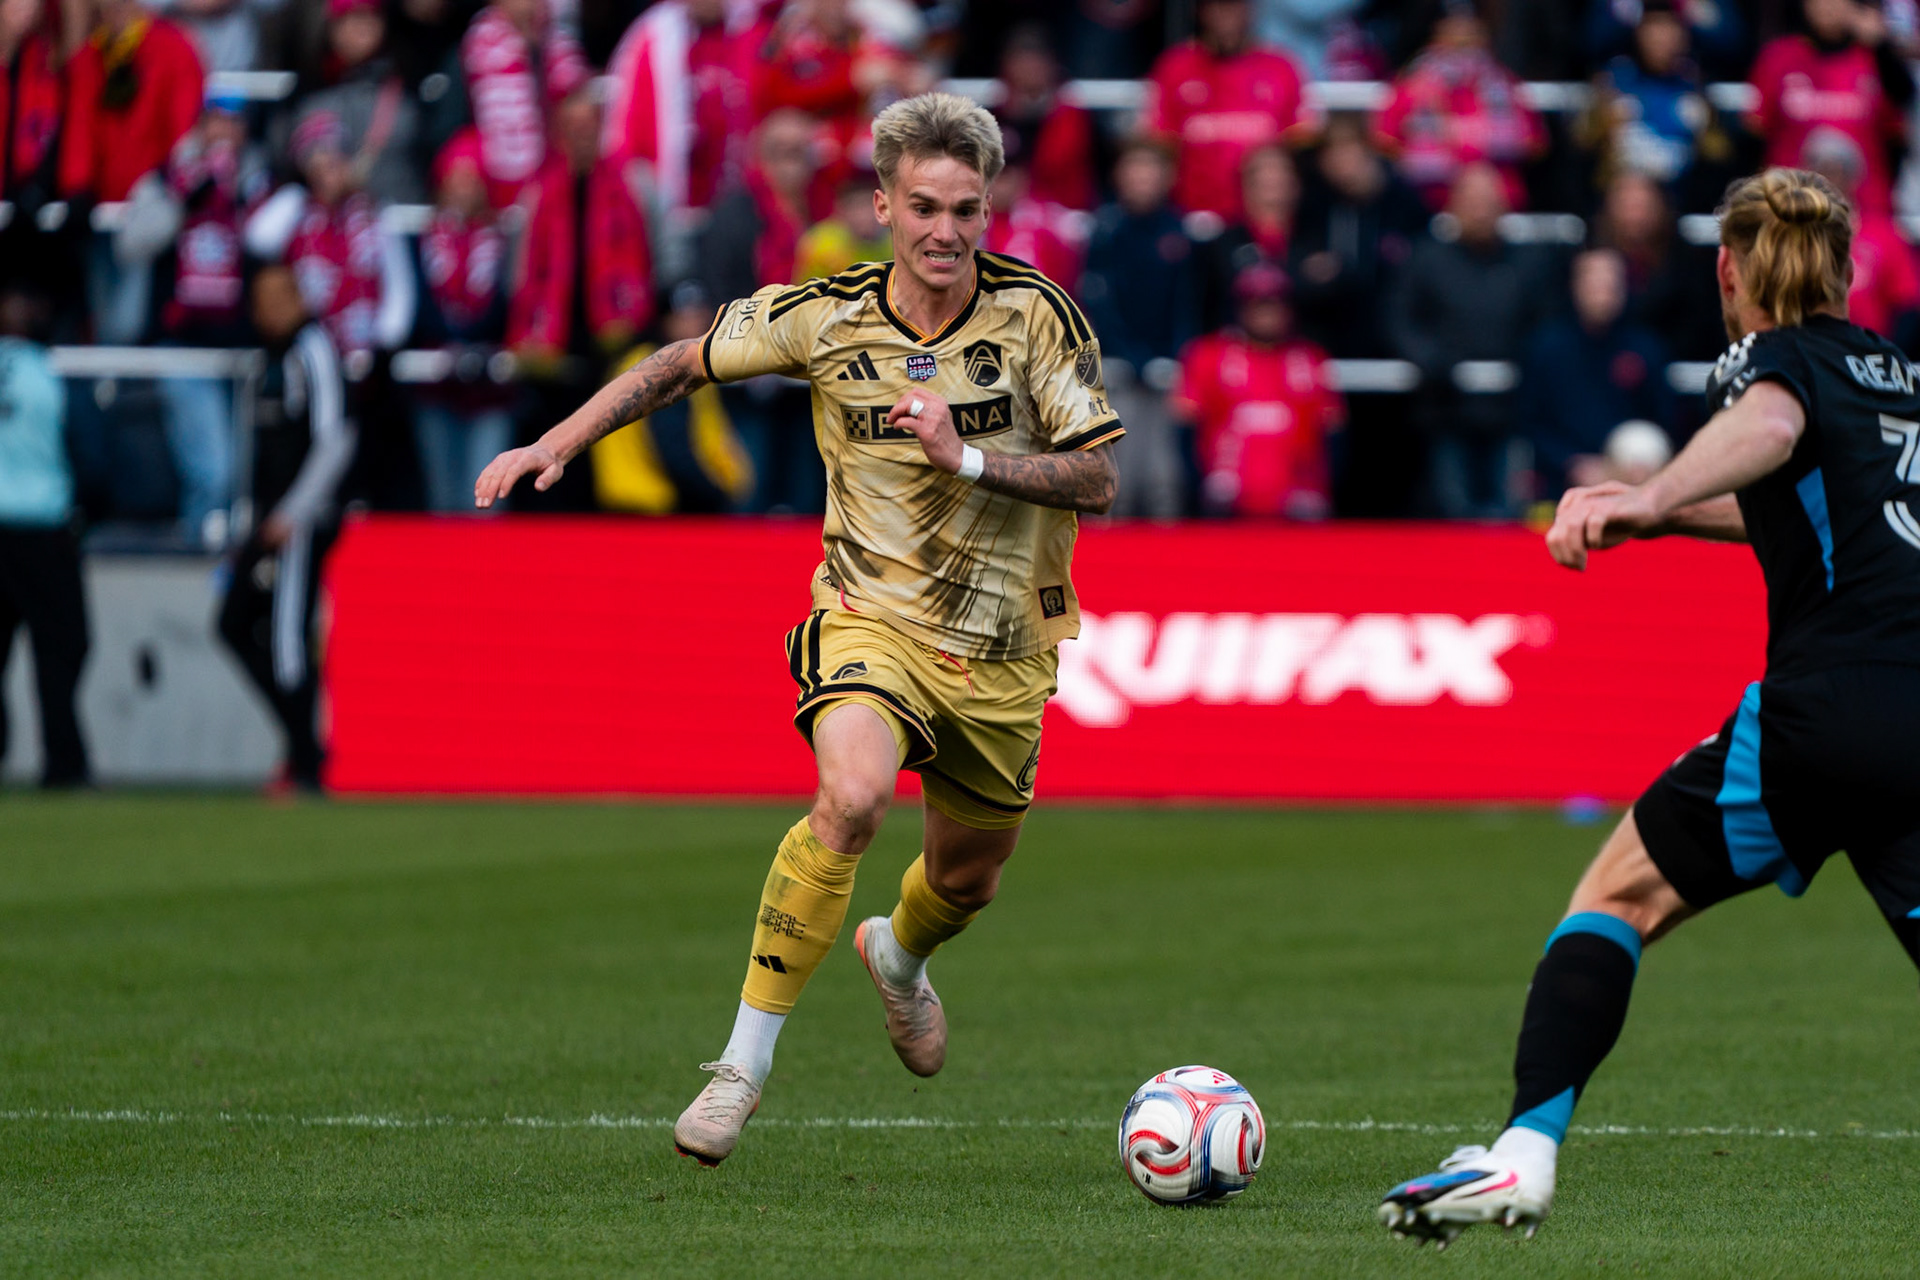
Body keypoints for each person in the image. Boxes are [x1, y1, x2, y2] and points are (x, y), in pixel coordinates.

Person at [473, 92, 1122, 1166]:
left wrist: (968, 457)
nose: (945, 230)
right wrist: (560, 438)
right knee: (854, 796)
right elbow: (680, 361)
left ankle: (900, 957)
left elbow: (1097, 473)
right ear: (882, 204)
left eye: (966, 208)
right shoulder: (826, 316)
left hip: (1005, 648)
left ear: (990, 209)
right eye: (923, 205)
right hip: (868, 617)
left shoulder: (1036, 319)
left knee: (966, 880)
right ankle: (739, 1070)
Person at [1379, 167, 1920, 1246]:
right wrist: (1671, 523)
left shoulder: (1775, 362)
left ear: (1727, 271)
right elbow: (1818, 497)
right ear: (1849, 268)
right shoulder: (1897, 373)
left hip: (1824, 712)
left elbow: (1770, 426)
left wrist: (1650, 491)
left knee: (1617, 894)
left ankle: (1523, 1154)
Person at [218, 265, 356, 794]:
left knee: (287, 639)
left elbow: (335, 438)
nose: (264, 310)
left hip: (298, 520)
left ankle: (305, 765)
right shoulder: (267, 357)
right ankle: (304, 744)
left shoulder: (313, 349)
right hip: (266, 518)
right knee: (233, 623)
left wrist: (295, 511)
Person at [1384, 161, 1555, 518]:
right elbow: (1401, 320)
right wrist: (1434, 360)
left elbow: (1546, 327)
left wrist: (1525, 365)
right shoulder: (1426, 259)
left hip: (1512, 412)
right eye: (1472, 200)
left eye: (1488, 201)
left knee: (1512, 519)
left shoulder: (1528, 262)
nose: (1480, 210)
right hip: (1445, 410)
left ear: (1504, 207)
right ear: (1453, 206)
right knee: (1453, 519)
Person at [0, 283, 90, 788]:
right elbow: (90, 458)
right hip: (41, 526)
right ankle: (63, 764)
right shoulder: (49, 373)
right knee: (63, 649)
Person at [1172, 262, 1342, 518]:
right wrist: (1198, 487)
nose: (1268, 313)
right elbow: (1184, 424)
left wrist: (1319, 485)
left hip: (1298, 499)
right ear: (1241, 308)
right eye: (1258, 304)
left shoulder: (1310, 359)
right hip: (1226, 499)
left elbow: (1333, 428)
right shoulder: (1208, 355)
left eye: (1275, 303)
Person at [409, 129, 514, 515]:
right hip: (435, 383)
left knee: (487, 497)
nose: (462, 190)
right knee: (444, 499)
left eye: (471, 180)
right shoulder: (424, 239)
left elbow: (505, 303)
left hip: (490, 387)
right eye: (455, 179)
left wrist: (473, 341)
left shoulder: (502, 240)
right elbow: (418, 303)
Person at [1518, 247, 1674, 499]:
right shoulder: (1546, 347)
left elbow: (1665, 418)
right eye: (1594, 283)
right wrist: (1570, 464)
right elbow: (1531, 422)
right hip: (1561, 487)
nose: (1603, 293)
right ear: (1575, 286)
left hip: (1636, 484)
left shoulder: (1647, 348)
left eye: (1611, 284)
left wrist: (1642, 461)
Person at [1140, 0, 1307, 221]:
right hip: (1193, 217)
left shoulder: (1281, 67)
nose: (1226, 16)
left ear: (1250, 11)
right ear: (1201, 12)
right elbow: (1159, 146)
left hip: (1262, 222)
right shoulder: (1174, 66)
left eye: (1234, 7)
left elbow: (1300, 151)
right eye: (1217, 7)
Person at [1373, 1, 1546, 210]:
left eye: (1470, 38)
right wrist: (1436, 153)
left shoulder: (1504, 83)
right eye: (1454, 39)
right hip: (1428, 197)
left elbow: (1535, 142)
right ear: (1437, 37)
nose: (1462, 45)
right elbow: (1384, 138)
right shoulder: (1412, 85)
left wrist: (1477, 143)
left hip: (1495, 196)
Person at [1748, 0, 1912, 218]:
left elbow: (1902, 113)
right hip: (1791, 208)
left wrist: (1882, 48)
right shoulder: (1778, 57)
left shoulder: (1875, 59)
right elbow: (1756, 131)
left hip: (1865, 213)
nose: (1826, 6)